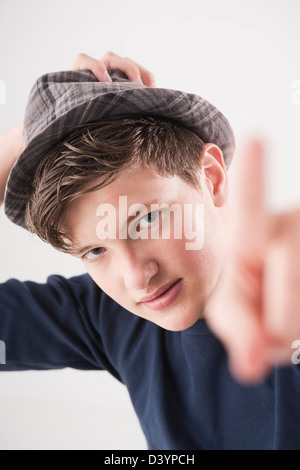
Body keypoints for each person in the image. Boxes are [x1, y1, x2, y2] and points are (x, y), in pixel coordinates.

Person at [1, 51, 300, 450]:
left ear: (211, 178)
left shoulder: (289, 288)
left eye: (145, 220)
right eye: (94, 251)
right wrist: (36, 127)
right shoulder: (107, 317)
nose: (136, 277)